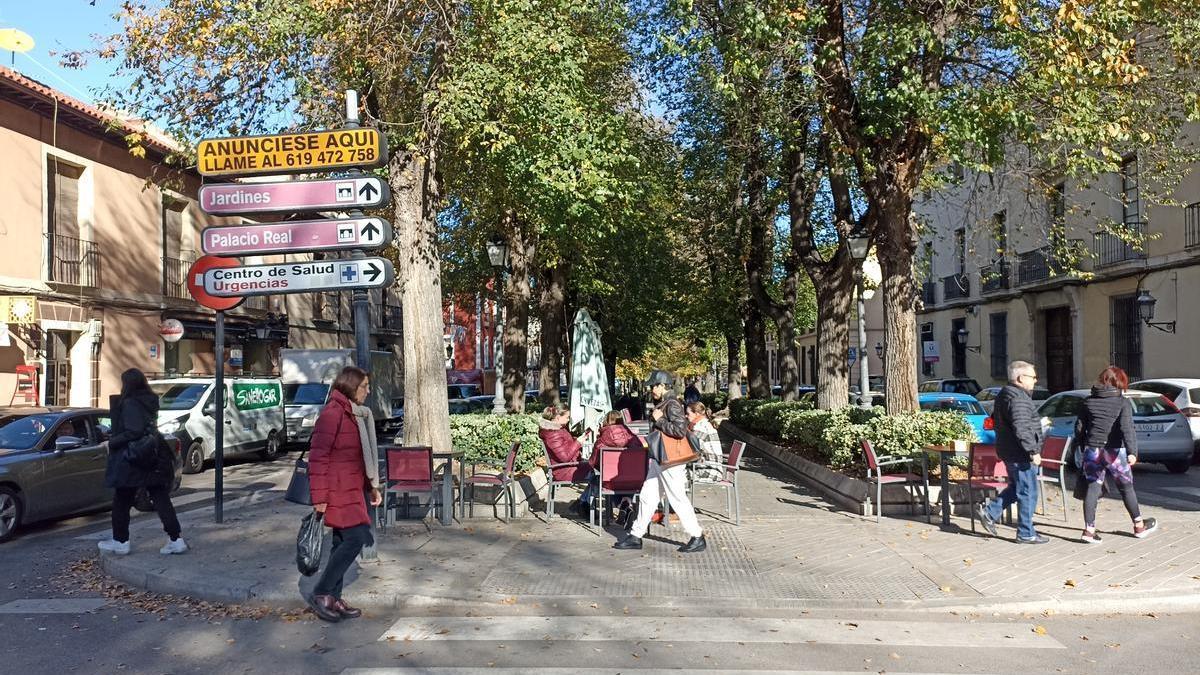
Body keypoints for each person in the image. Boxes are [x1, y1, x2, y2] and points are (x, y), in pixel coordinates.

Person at [307, 366, 383, 623]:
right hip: (336, 492)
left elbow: (356, 458)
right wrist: (319, 498)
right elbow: (317, 457)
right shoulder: (333, 413)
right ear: (351, 386)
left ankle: (334, 598)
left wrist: (371, 486)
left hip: (351, 489)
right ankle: (322, 592)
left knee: (341, 543)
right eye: (364, 386)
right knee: (356, 538)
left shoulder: (353, 414)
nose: (368, 391)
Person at [614, 370, 706, 553]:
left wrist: (660, 419)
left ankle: (697, 536)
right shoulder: (665, 403)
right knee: (648, 496)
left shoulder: (671, 404)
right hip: (661, 459)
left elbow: (679, 430)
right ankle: (636, 535)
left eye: (654, 386)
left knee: (677, 497)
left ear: (663, 386)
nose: (651, 390)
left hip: (670, 460)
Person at [99, 368, 186, 556]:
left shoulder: (130, 403)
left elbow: (133, 431)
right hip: (153, 453)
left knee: (122, 500)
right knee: (161, 497)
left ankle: (120, 541)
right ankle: (176, 538)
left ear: (127, 384)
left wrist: (111, 442)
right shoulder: (149, 402)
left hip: (134, 457)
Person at [1073, 365, 1158, 543]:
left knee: (1093, 488)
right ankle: (1139, 526)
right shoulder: (1122, 402)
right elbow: (1127, 429)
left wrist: (1082, 447)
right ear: (1120, 382)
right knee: (1126, 488)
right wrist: (1132, 451)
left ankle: (1089, 531)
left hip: (1092, 450)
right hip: (1115, 452)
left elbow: (1079, 428)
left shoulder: (1088, 401)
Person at [976, 360, 1046, 544]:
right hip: (1019, 453)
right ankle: (1025, 532)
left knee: (1017, 488)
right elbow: (1021, 426)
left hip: (1010, 450)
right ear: (1021, 378)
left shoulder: (1005, 394)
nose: (1035, 380)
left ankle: (990, 513)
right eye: (1032, 377)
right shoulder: (1018, 398)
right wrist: (1033, 451)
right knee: (1028, 492)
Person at [538, 405, 593, 515]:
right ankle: (583, 504)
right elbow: (564, 457)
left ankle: (583, 503)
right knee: (599, 474)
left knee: (599, 470)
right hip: (564, 470)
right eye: (567, 417)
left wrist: (578, 440)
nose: (569, 419)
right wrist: (578, 442)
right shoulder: (552, 434)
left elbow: (566, 446)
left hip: (570, 466)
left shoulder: (558, 429)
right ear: (558, 417)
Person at [687, 402, 725, 481]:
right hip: (711, 466)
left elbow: (690, 448)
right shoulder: (704, 423)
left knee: (677, 474)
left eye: (688, 413)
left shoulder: (700, 427)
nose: (686, 416)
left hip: (710, 470)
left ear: (696, 414)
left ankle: (680, 493)